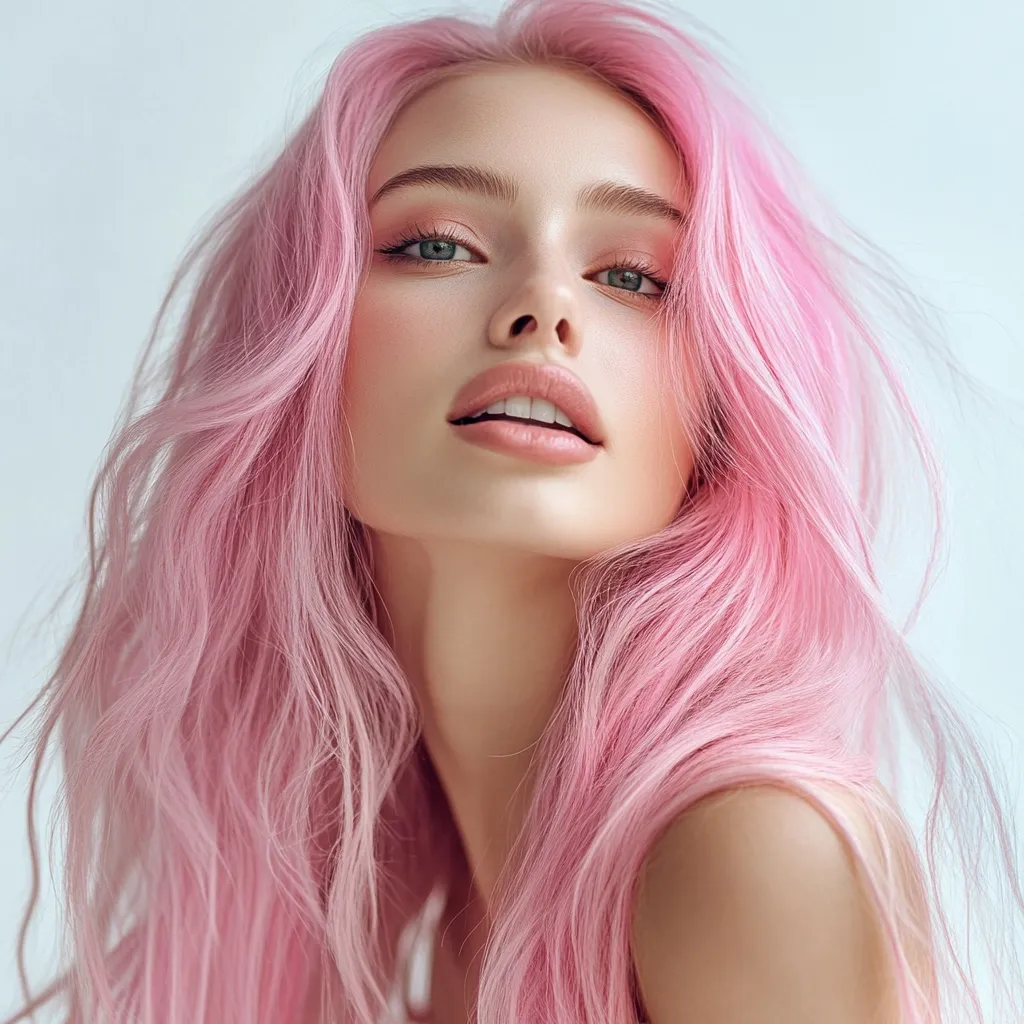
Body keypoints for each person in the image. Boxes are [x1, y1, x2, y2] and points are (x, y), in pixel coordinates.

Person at [3, 1, 1022, 1022]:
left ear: (715, 414)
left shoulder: (749, 845)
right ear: (298, 348)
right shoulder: (450, 922)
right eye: (438, 246)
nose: (545, 307)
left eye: (633, 275)